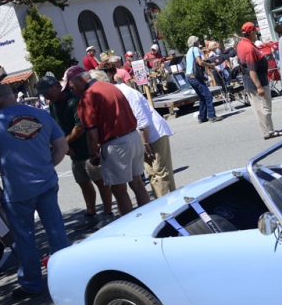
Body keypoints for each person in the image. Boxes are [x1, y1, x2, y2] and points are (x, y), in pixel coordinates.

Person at [0, 83, 70, 298]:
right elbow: (62, 147)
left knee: (25, 237)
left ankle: (32, 284)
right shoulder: (40, 114)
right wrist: (47, 166)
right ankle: (65, 275)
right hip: (46, 182)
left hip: (18, 190)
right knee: (56, 229)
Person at [65, 66, 151, 216]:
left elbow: (92, 132)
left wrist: (93, 154)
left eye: (71, 86)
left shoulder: (88, 97)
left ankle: (129, 228)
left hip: (116, 143)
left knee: (119, 190)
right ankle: (150, 218)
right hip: (133, 137)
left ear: (80, 80)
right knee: (137, 183)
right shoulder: (109, 87)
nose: (72, 90)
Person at [37, 73, 113, 229]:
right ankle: (91, 214)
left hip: (88, 149)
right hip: (74, 152)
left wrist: (63, 144)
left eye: (48, 91)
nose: (46, 95)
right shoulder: (53, 104)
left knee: (100, 181)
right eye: (43, 93)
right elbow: (55, 127)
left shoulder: (74, 100)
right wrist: (62, 145)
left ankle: (108, 213)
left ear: (57, 87)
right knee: (83, 183)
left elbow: (80, 127)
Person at [95, 68, 177, 198]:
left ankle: (170, 208)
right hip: (142, 135)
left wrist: (144, 143)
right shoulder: (113, 92)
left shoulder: (123, 91)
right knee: (153, 174)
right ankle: (164, 205)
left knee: (160, 174)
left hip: (153, 133)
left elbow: (141, 120)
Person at [237, 22, 282, 139]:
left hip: (252, 81)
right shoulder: (248, 48)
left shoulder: (243, 44)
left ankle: (267, 131)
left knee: (260, 109)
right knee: (264, 109)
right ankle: (269, 131)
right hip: (256, 82)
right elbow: (252, 69)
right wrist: (259, 86)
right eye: (255, 31)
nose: (257, 33)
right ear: (252, 32)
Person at [185, 35, 222, 123]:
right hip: (194, 77)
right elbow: (200, 62)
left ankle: (202, 117)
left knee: (202, 97)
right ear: (195, 43)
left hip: (189, 77)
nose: (199, 43)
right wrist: (210, 65)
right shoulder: (195, 49)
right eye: (197, 41)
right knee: (208, 95)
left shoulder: (189, 51)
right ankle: (212, 116)